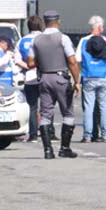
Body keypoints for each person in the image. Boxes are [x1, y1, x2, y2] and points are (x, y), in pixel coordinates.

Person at [27, 10, 81, 159]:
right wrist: (77, 81)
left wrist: (43, 60)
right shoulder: (63, 38)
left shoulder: (36, 40)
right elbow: (72, 61)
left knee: (45, 114)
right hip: (60, 77)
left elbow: (30, 63)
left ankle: (48, 150)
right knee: (68, 113)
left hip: (44, 78)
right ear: (58, 21)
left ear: (45, 22)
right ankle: (65, 148)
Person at [75, 16, 106, 143]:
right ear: (98, 27)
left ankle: (87, 135)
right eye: (102, 26)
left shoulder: (83, 41)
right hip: (103, 76)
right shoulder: (105, 41)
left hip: (88, 76)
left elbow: (77, 59)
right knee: (104, 107)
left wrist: (80, 75)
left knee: (88, 107)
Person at [15, 15, 43, 142]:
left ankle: (33, 135)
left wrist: (28, 66)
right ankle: (49, 132)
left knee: (32, 106)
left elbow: (17, 60)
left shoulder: (22, 41)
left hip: (29, 75)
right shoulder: (44, 39)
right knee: (47, 105)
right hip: (44, 74)